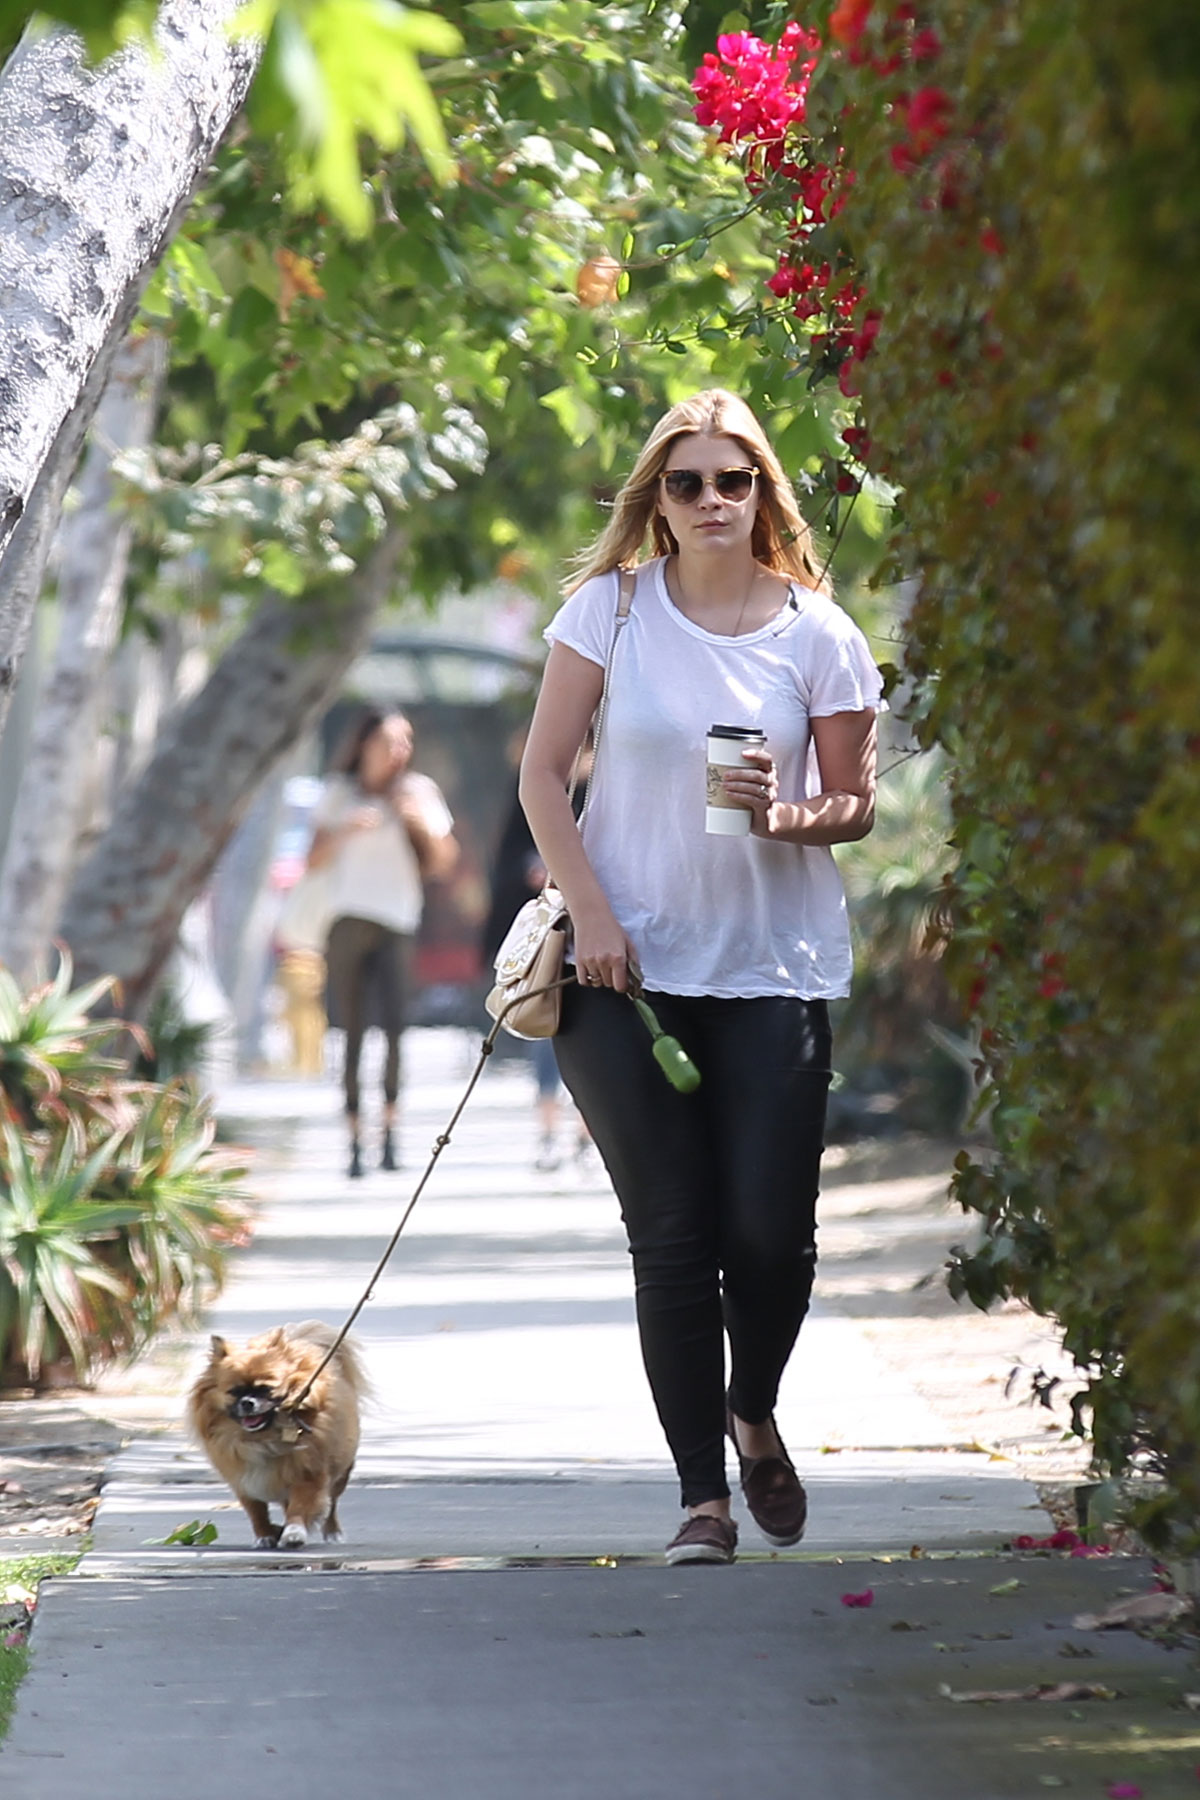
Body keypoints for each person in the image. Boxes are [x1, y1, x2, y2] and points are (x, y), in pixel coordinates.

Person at [519, 389, 883, 1565]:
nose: (712, 500)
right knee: (671, 1235)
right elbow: (541, 779)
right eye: (688, 483)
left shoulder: (818, 633)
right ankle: (700, 1501)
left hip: (774, 968)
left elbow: (854, 804)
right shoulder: (608, 611)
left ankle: (752, 1413)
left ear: (763, 495)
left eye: (735, 481)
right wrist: (593, 915)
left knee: (771, 1237)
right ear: (658, 500)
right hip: (621, 974)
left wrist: (783, 814)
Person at [308, 708, 459, 1178]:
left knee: (395, 1030)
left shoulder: (419, 792)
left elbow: (443, 862)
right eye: (391, 740)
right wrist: (345, 829)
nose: (400, 750)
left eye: (406, 741)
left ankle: (390, 1134)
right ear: (366, 743)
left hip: (398, 919)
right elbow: (311, 860)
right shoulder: (339, 793)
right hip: (348, 918)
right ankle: (353, 1138)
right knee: (350, 1032)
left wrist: (413, 821)